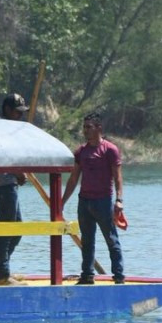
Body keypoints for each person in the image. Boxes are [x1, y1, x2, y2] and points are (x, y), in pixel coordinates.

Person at [61, 112, 125, 285]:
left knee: (111, 239)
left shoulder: (110, 150)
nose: (85, 131)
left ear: (99, 128)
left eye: (89, 127)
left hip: (103, 202)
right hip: (85, 202)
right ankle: (87, 275)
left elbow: (118, 177)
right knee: (87, 241)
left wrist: (119, 200)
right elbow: (74, 179)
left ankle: (118, 276)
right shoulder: (81, 152)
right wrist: (62, 202)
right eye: (84, 127)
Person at [0, 93, 29, 286]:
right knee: (7, 227)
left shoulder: (11, 129)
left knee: (17, 228)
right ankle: (2, 274)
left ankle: (4, 268)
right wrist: (18, 173)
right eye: (17, 112)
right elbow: (1, 155)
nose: (19, 116)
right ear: (7, 110)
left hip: (10, 181)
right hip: (3, 182)